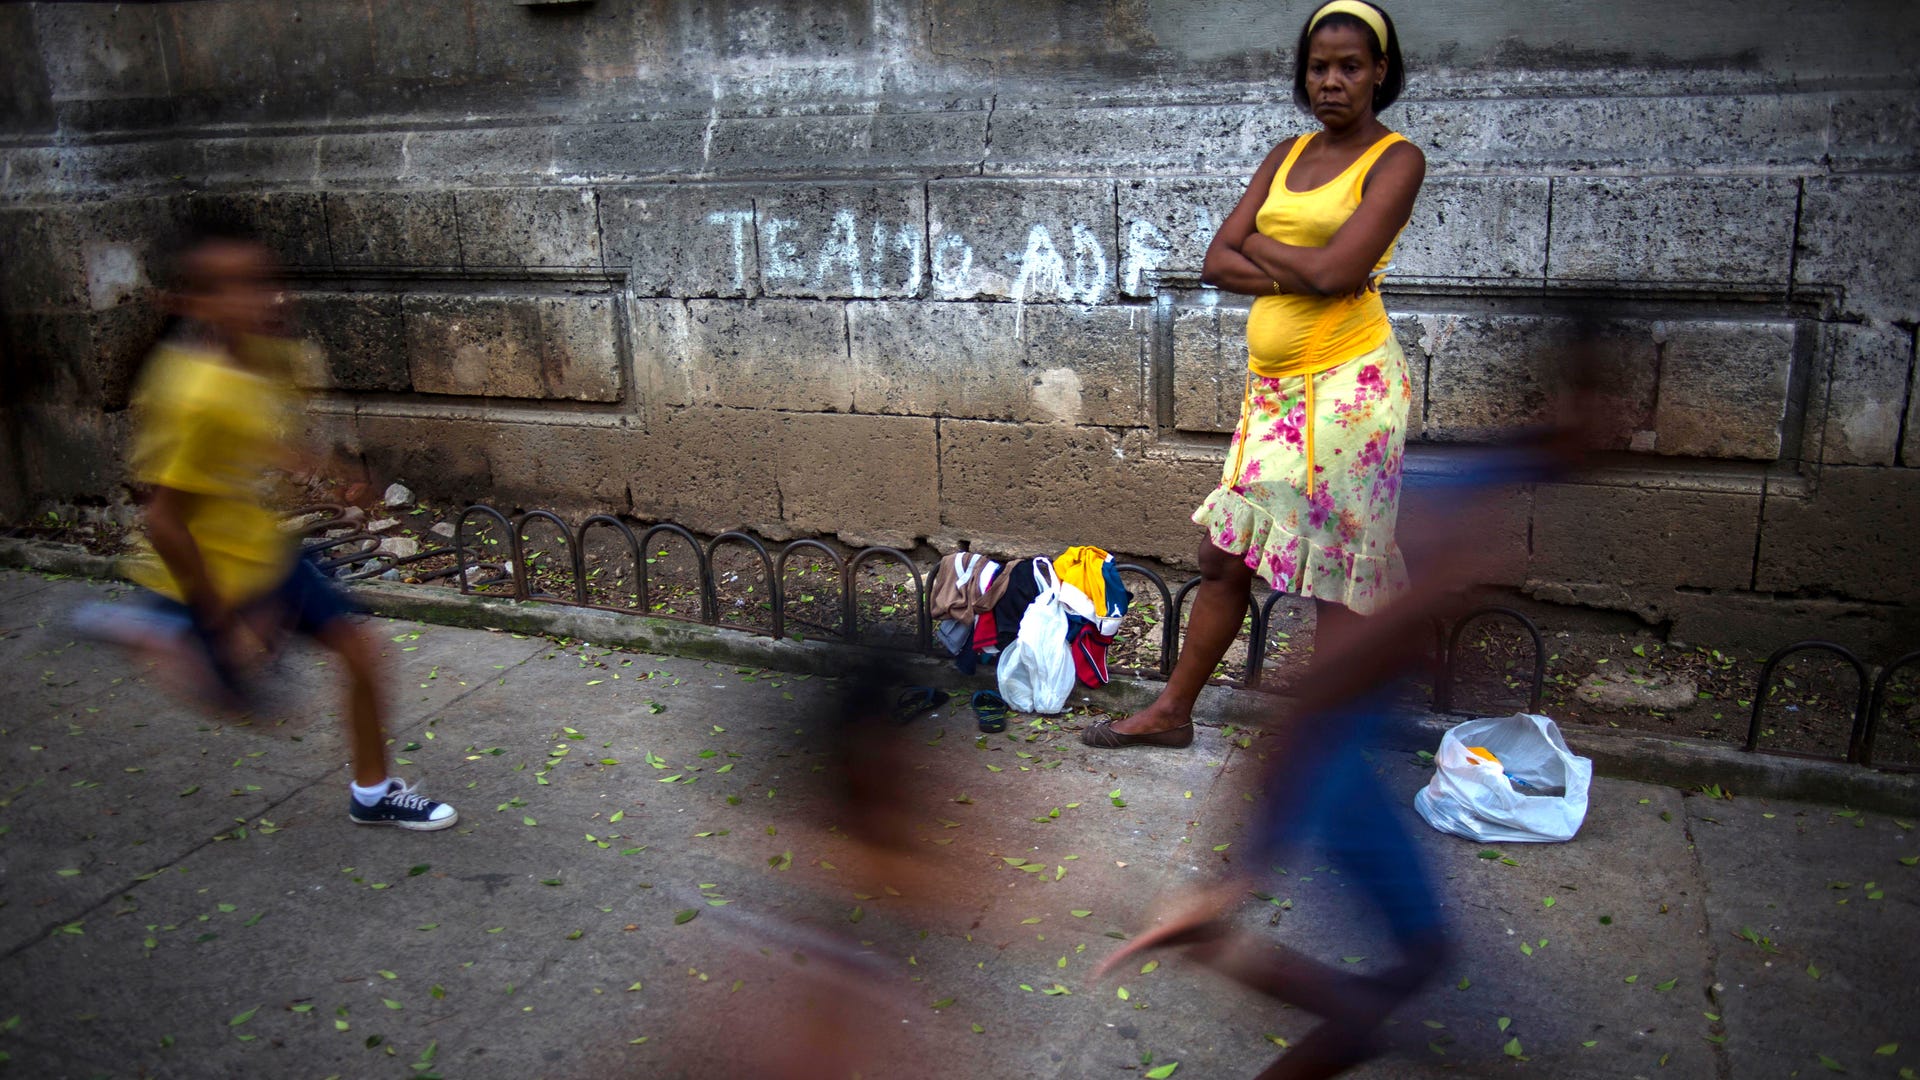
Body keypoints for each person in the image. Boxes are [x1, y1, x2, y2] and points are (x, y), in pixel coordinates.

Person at [1083, 0, 1423, 749]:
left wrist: (1270, 249)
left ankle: (1329, 745)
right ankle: (1172, 714)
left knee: (1334, 571)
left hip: (1351, 388)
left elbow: (1339, 272)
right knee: (1223, 553)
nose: (1331, 81)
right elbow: (1216, 258)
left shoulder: (1397, 160)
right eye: (1318, 67)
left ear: (1380, 74)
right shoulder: (1285, 154)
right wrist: (1303, 271)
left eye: (1349, 67)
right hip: (1273, 395)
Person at [102, 234, 457, 830]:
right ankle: (151, 627)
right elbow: (164, 519)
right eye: (237, 287)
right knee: (240, 694)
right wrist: (225, 619)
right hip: (208, 571)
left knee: (362, 653)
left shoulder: (260, 353)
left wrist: (314, 465)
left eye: (263, 279)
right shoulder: (190, 393)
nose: (264, 297)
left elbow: (248, 427)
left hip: (262, 549)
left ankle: (372, 794)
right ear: (194, 304)